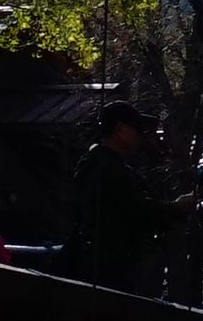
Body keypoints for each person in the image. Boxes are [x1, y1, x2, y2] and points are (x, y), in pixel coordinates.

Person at [59, 103, 164, 294]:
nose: (141, 135)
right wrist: (176, 209)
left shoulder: (94, 164)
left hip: (99, 267)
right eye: (137, 128)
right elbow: (139, 212)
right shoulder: (111, 170)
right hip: (110, 272)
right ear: (120, 129)